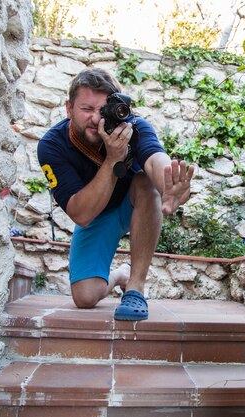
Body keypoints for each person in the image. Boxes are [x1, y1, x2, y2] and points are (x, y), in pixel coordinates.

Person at [37, 68, 195, 321]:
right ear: (69, 109)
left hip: (135, 203)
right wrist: (113, 158)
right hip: (95, 212)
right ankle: (121, 274)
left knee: (146, 182)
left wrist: (170, 185)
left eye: (103, 110)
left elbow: (155, 160)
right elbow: (81, 214)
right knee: (85, 297)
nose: (95, 119)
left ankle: (135, 287)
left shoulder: (133, 127)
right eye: (86, 109)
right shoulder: (52, 145)